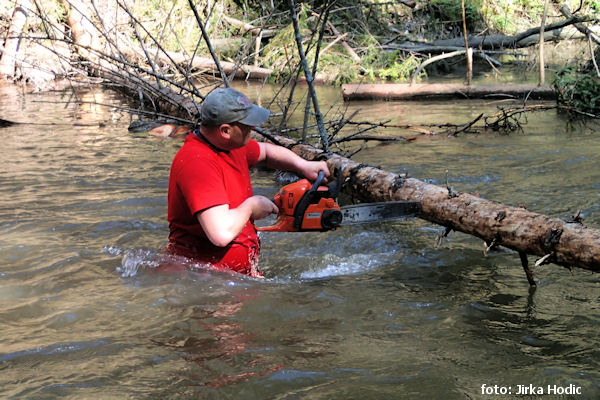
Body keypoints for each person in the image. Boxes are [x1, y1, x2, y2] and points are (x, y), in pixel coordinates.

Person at [166, 88, 329, 277]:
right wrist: (252, 206)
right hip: (204, 279)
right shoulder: (198, 162)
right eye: (247, 124)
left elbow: (267, 152)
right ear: (225, 130)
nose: (253, 128)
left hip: (232, 276)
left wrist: (303, 165)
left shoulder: (230, 146)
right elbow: (221, 234)